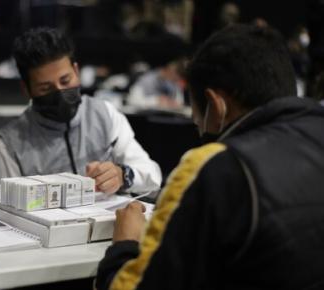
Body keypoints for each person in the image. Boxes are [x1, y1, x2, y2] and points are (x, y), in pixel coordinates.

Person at [96, 24, 324, 290]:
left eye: (196, 120)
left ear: (216, 106)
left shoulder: (214, 168)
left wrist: (124, 245)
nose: (199, 128)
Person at [0, 27, 162, 195]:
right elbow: (3, 214)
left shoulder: (104, 115)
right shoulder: (8, 147)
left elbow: (152, 175)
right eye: (46, 88)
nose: (60, 92)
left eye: (66, 81)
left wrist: (123, 175)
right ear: (26, 89)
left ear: (76, 71)